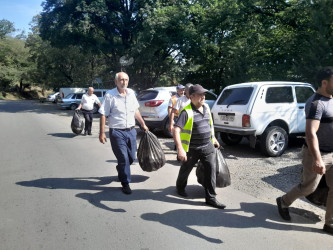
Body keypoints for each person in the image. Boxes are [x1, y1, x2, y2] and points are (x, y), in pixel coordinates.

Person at [276, 66, 333, 235]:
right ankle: (284, 201)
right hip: (318, 154)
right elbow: (310, 133)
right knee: (309, 187)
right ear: (324, 83)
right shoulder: (316, 104)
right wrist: (317, 159)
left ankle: (329, 223)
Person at [173, 84, 225, 209]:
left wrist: (214, 139)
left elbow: (209, 125)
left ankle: (211, 198)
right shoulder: (186, 112)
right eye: (200, 94)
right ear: (191, 97)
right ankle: (180, 187)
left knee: (210, 171)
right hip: (192, 148)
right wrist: (180, 149)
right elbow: (176, 130)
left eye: (204, 94)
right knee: (185, 169)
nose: (203, 97)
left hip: (208, 146)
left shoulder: (206, 107)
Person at [99, 72, 148, 195]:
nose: (124, 82)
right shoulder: (110, 95)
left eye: (126, 80)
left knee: (131, 157)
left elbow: (135, 110)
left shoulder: (131, 93)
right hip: (117, 131)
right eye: (121, 80)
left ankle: (121, 168)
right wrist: (101, 133)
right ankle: (125, 183)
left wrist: (142, 124)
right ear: (116, 81)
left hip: (131, 131)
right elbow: (103, 113)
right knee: (124, 159)